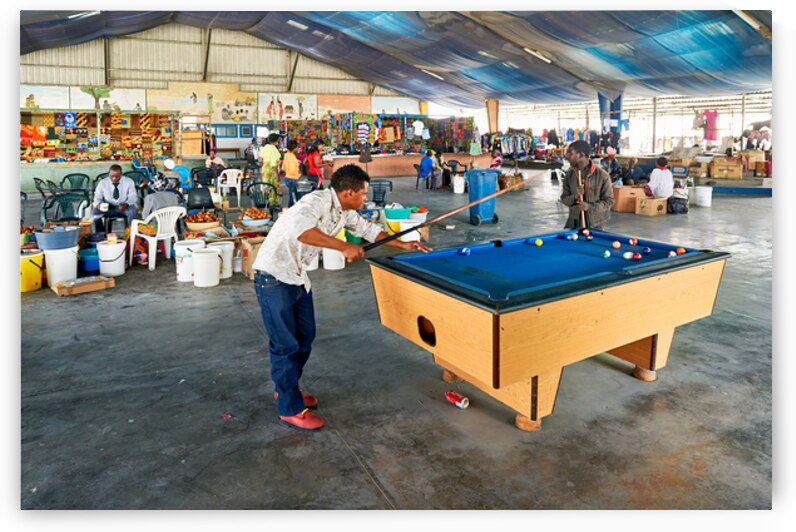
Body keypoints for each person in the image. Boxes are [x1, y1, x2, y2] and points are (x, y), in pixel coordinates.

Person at [252, 164, 432, 431]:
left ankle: (286, 387)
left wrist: (403, 244)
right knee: (285, 345)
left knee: (305, 338)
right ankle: (289, 407)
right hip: (274, 277)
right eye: (362, 194)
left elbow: (369, 231)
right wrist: (344, 245)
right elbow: (303, 232)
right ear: (348, 192)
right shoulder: (315, 202)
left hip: (298, 277)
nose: (365, 199)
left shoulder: (344, 210)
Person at [560, 140, 614, 231]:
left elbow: (609, 201)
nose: (566, 156)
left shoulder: (602, 176)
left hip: (596, 224)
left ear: (581, 155)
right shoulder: (569, 175)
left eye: (570, 153)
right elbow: (564, 199)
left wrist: (589, 207)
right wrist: (575, 196)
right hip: (575, 222)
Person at [92, 164, 139, 232]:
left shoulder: (129, 181)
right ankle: (101, 233)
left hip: (124, 208)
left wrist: (126, 204)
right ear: (108, 174)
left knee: (132, 211)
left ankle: (129, 234)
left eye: (117, 176)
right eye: (112, 176)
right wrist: (99, 204)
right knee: (94, 211)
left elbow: (133, 197)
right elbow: (97, 196)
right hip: (109, 208)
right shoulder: (103, 183)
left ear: (121, 174)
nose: (114, 178)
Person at [259, 133, 282, 208]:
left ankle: (266, 202)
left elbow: (261, 159)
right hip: (271, 170)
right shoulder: (274, 149)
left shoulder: (264, 147)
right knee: (273, 187)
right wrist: (277, 175)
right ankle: (273, 204)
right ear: (276, 141)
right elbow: (274, 165)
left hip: (265, 169)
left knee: (266, 186)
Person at [281, 140, 301, 207]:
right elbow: (293, 171)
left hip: (287, 177)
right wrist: (299, 171)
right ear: (295, 148)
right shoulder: (292, 157)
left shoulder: (287, 155)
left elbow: (283, 168)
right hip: (292, 179)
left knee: (292, 195)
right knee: (293, 198)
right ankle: (291, 210)